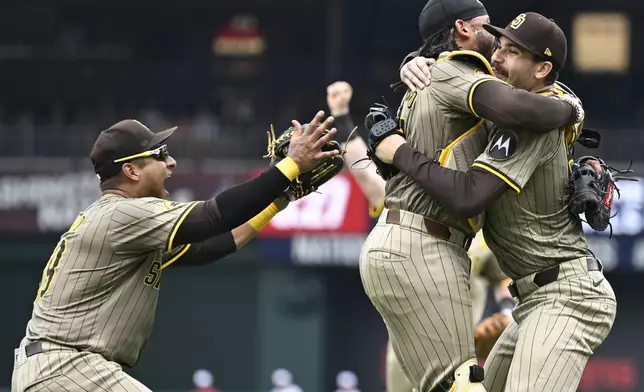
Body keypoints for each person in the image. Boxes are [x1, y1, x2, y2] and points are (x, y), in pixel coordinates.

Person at [374, 12, 616, 392]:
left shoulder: (532, 123)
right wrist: (417, 62)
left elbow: (468, 196)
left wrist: (399, 151)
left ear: (542, 69)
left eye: (514, 52)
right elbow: (459, 86)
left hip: (568, 297)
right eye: (500, 46)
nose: (499, 57)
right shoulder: (505, 109)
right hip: (532, 302)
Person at [11, 113, 339, 392]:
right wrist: (290, 166)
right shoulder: (122, 214)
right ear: (132, 171)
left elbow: (207, 248)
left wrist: (277, 200)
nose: (171, 161)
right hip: (67, 366)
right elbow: (215, 216)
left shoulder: (123, 220)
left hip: (57, 368)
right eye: (160, 154)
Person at [326, 81, 514, 392]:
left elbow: (504, 277)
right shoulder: (412, 197)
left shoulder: (478, 219)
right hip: (412, 342)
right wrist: (343, 118)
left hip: (460, 344)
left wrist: (506, 314)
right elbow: (367, 177)